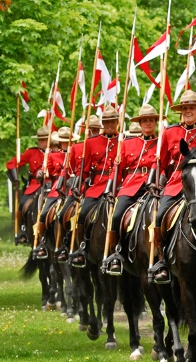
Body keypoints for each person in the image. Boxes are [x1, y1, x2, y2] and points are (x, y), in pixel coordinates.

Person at [149, 90, 196, 283]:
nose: (188, 111)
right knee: (159, 217)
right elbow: (160, 162)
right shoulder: (170, 132)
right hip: (176, 182)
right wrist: (155, 182)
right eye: (185, 108)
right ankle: (162, 261)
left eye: (192, 107)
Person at [103, 104, 161, 275]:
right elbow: (117, 169)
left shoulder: (161, 143)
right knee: (116, 216)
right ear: (140, 123)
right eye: (144, 120)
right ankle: (116, 254)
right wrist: (109, 189)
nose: (148, 123)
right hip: (131, 187)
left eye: (151, 120)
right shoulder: (128, 144)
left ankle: (163, 255)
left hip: (154, 189)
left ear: (155, 122)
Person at [68, 106, 120, 266]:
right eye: (107, 122)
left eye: (112, 121)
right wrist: (77, 185)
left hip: (118, 188)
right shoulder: (91, 143)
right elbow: (83, 170)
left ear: (118, 122)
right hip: (97, 186)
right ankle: (82, 246)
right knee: (82, 214)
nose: (110, 124)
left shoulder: (124, 140)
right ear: (103, 123)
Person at [32, 126, 76, 259]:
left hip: (73, 189)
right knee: (44, 214)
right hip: (58, 189)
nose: (65, 144)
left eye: (67, 141)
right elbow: (47, 172)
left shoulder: (78, 153)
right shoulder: (52, 156)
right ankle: (43, 242)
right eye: (62, 141)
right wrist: (42, 173)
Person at [6, 124, 50, 244]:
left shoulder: (55, 152)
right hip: (35, 185)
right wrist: (15, 178)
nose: (41, 142)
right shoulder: (31, 152)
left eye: (44, 139)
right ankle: (23, 230)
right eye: (39, 139)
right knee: (22, 206)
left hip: (52, 184)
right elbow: (12, 163)